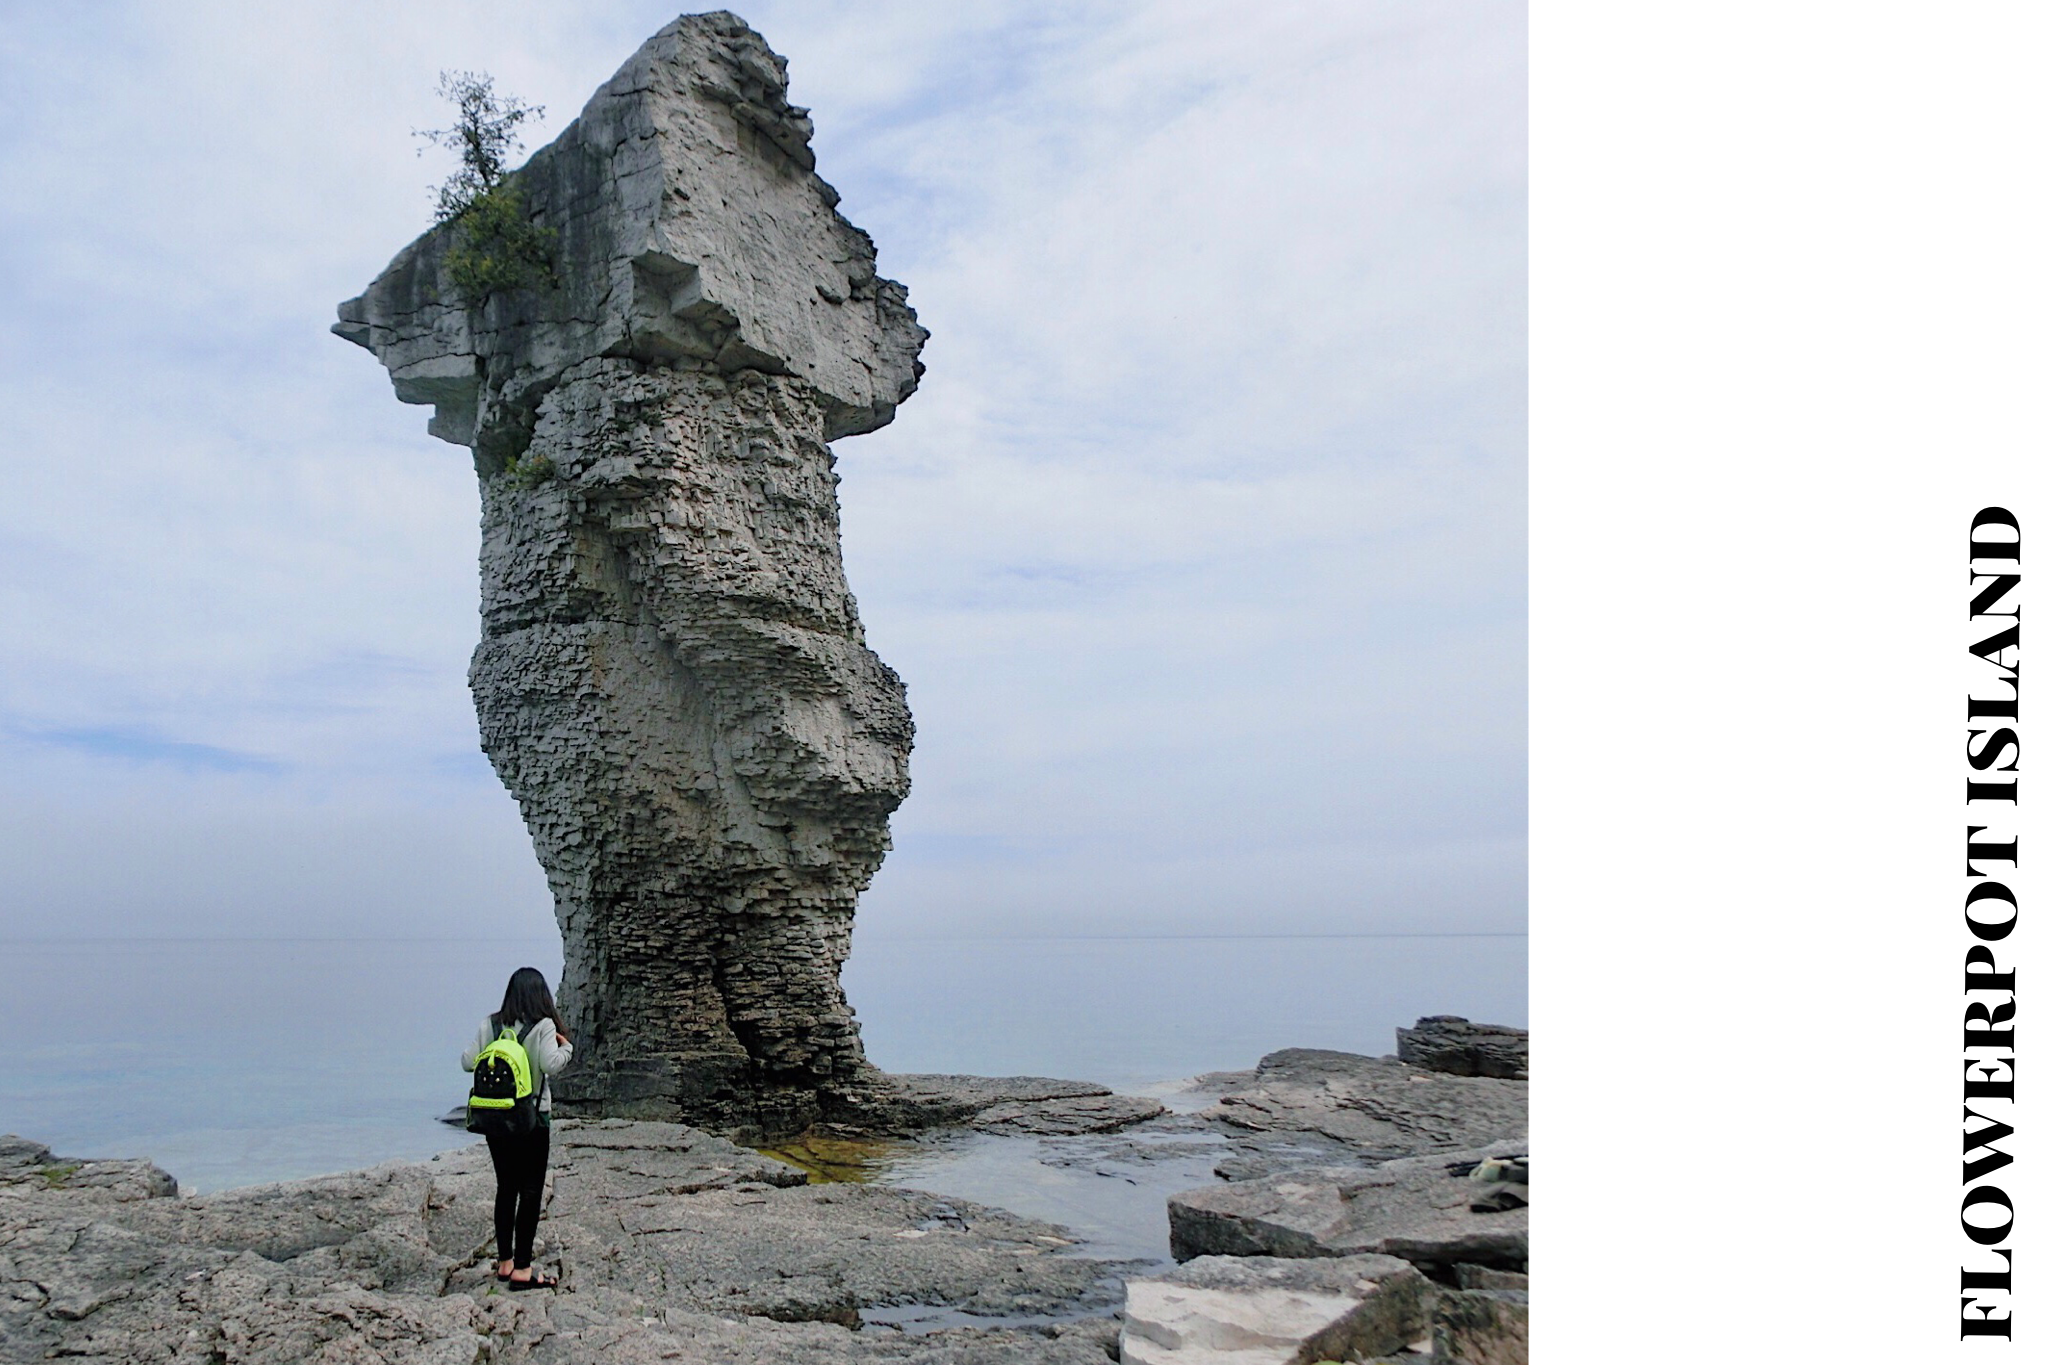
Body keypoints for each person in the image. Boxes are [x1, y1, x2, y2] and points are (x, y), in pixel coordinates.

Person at [460, 966, 574, 1290]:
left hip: (494, 1119)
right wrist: (566, 1048)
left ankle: (505, 1262)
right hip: (532, 1119)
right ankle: (523, 1269)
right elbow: (550, 1065)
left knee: (506, 1187)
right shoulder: (543, 1026)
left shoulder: (491, 1023)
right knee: (531, 1189)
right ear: (541, 995)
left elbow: (468, 1062)